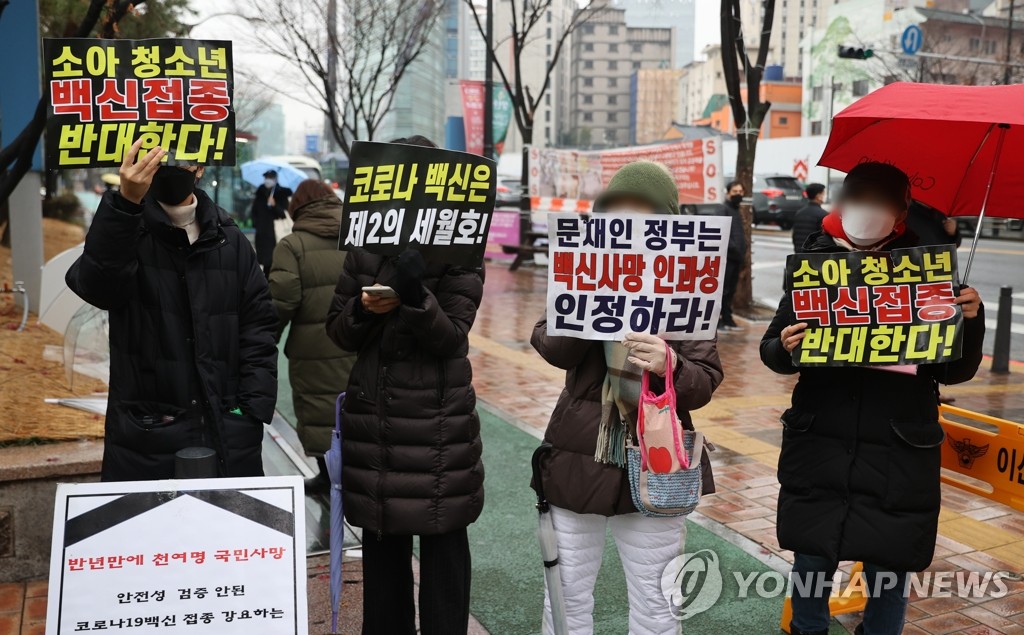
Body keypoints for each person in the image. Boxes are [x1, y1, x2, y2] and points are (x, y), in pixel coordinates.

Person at [760, 162, 985, 635]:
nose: (868, 210)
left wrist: (971, 318)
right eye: (859, 197)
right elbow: (772, 350)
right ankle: (808, 628)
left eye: (881, 201)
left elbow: (956, 370)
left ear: (902, 212)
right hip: (820, 438)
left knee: (890, 563)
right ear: (842, 202)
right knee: (813, 555)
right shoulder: (813, 262)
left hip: (898, 445)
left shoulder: (927, 269)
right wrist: (785, 347)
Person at [532, 161, 723, 635]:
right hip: (580, 457)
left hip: (657, 465)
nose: (630, 223)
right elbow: (551, 346)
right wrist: (589, 310)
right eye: (618, 211)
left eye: (643, 212)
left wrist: (669, 363)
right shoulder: (581, 270)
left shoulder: (687, 283)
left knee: (658, 604)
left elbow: (705, 380)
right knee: (566, 594)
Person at [325, 135, 485, 635]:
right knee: (382, 550)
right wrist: (361, 310)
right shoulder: (364, 248)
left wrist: (417, 293)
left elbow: (451, 338)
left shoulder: (461, 249)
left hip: (440, 423)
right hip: (376, 421)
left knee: (445, 551)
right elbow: (337, 330)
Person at [66, 140, 278, 481]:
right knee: (148, 532)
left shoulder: (230, 240)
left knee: (226, 534)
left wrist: (250, 409)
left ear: (201, 168)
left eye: (185, 159)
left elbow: (259, 326)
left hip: (229, 431)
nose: (172, 167)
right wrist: (126, 202)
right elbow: (97, 286)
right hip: (147, 433)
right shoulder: (127, 229)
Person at [268, 179, 355, 492]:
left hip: (313, 351)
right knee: (358, 409)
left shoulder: (293, 246)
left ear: (297, 209)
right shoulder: (358, 235)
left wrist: (265, 342)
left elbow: (281, 302)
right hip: (358, 341)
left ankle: (328, 476)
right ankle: (356, 476)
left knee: (321, 412)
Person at [251, 169, 292, 276]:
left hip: (275, 233)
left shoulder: (281, 194)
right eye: (266, 178)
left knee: (273, 260)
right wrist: (257, 224)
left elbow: (284, 214)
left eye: (270, 178)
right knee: (264, 261)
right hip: (262, 233)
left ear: (275, 179)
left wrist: (274, 205)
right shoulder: (260, 193)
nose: (267, 180)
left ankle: (271, 281)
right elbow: (254, 211)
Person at [719, 180, 746, 331]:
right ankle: (718, 321)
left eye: (741, 192)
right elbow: (723, 235)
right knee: (723, 291)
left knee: (731, 291)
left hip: (737, 258)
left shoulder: (736, 210)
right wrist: (735, 248)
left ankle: (728, 319)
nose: (738, 195)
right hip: (727, 258)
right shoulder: (723, 209)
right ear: (728, 193)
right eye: (735, 192)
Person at [792, 182, 828, 252]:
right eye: (823, 194)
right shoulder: (823, 215)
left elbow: (795, 237)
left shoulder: (799, 213)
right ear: (818, 196)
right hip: (813, 255)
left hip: (799, 253)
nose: (824, 196)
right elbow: (823, 239)